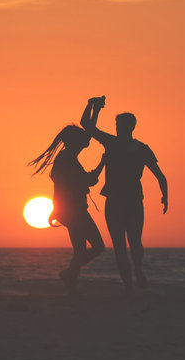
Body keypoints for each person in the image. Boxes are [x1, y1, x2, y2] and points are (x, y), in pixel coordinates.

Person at [81, 96, 168, 292]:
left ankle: (132, 280)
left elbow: (86, 125)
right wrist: (165, 196)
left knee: (125, 244)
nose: (117, 127)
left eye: (118, 124)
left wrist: (92, 106)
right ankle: (134, 276)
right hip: (128, 200)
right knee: (130, 243)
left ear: (124, 127)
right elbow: (160, 176)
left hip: (120, 201)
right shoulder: (140, 148)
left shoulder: (114, 144)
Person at [28, 125, 106, 296]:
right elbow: (88, 180)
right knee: (98, 246)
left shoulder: (67, 157)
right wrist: (103, 163)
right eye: (80, 140)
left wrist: (94, 108)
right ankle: (70, 273)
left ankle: (71, 282)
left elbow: (88, 135)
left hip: (70, 210)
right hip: (74, 210)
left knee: (80, 250)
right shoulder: (67, 159)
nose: (85, 142)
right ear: (74, 142)